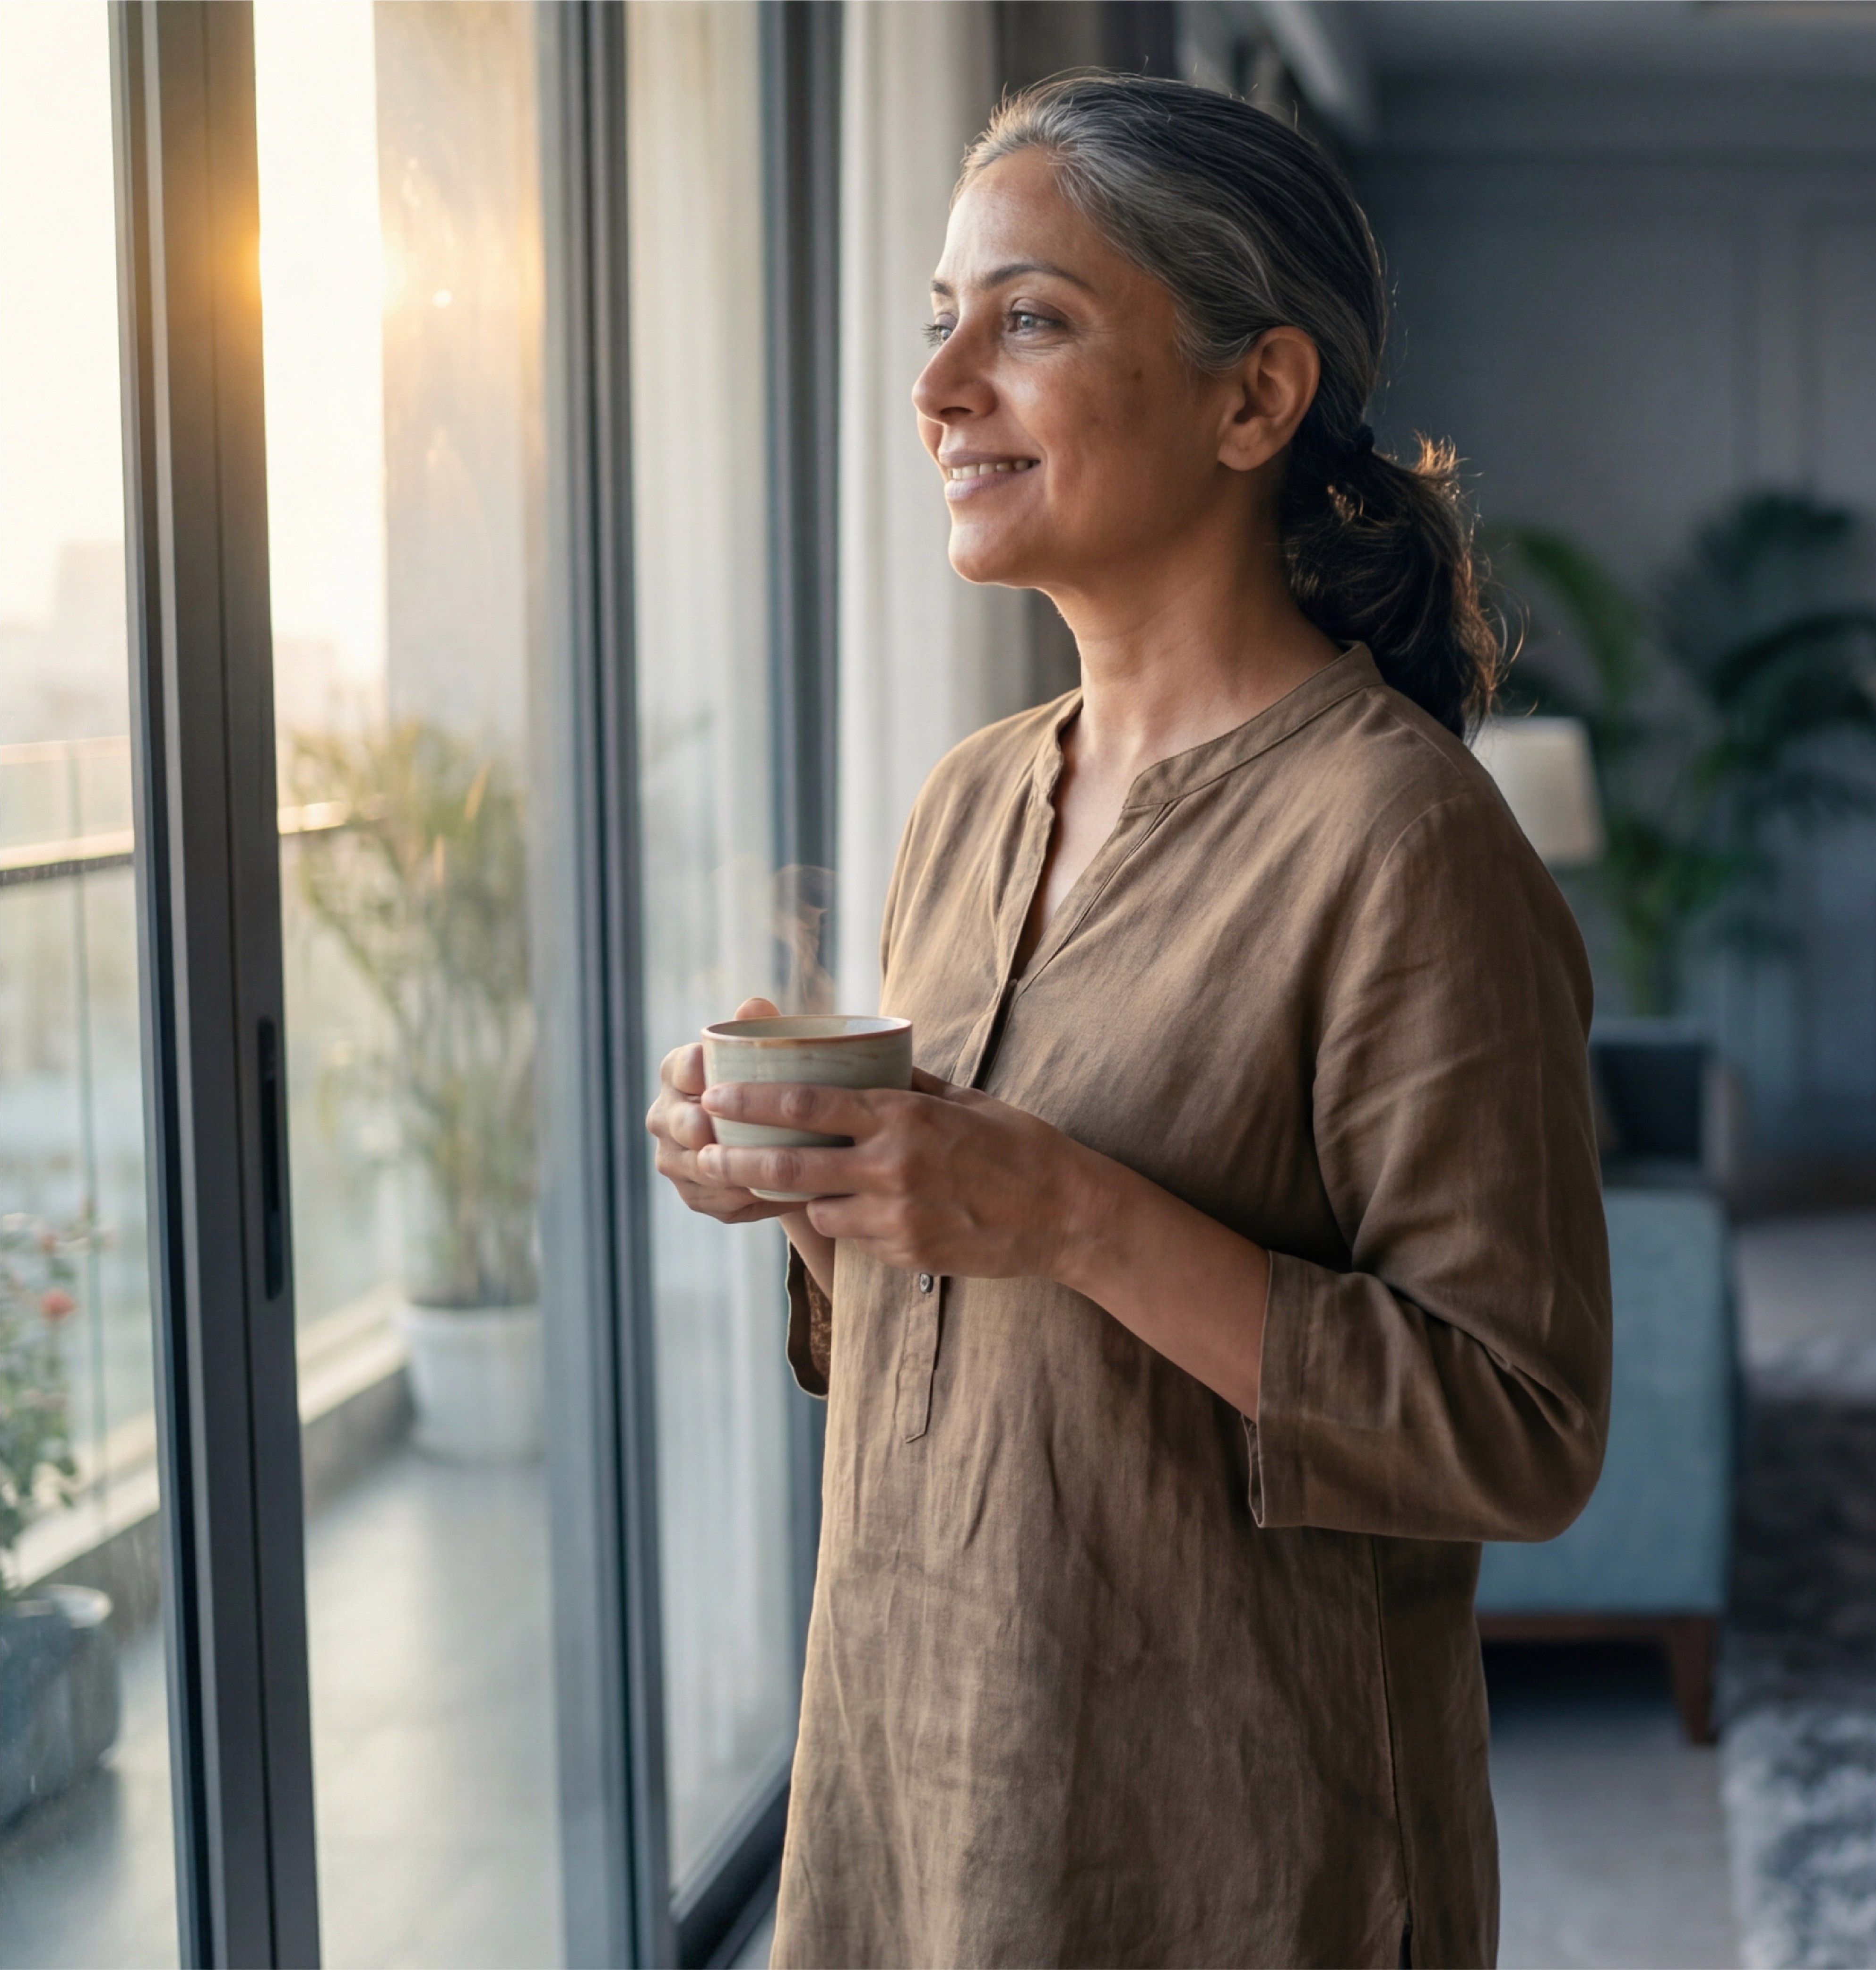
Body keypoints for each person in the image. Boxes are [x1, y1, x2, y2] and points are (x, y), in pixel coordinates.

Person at [648, 73, 1610, 1970]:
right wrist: (810, 1180)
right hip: (910, 1811)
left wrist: (1077, 1214)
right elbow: (945, 1336)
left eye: (1028, 319)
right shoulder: (968, 800)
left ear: (1252, 397)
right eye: (940, 322)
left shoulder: (1401, 841)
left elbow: (1523, 1428)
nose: (936, 391)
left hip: (1223, 1856)